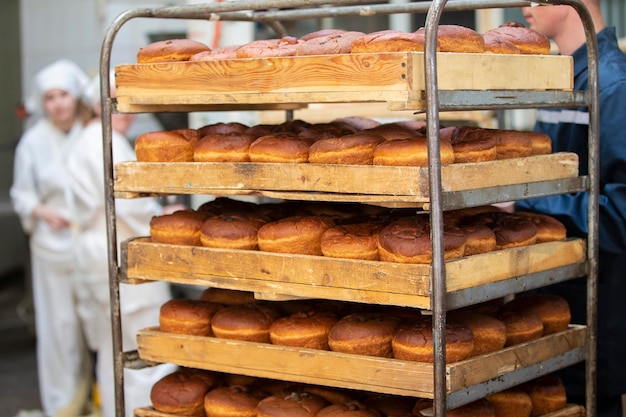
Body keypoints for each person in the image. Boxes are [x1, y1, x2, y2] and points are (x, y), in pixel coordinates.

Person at [518, 2, 626, 417]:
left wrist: (525, 202)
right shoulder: (569, 76)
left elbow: (622, 211)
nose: (524, 6)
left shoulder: (611, 85)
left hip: (598, 309)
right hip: (560, 306)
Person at [66, 73, 178, 417]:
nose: (126, 109)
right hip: (119, 251)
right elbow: (129, 204)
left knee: (112, 351)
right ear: (99, 104)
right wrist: (165, 215)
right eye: (118, 100)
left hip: (94, 253)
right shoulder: (108, 141)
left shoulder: (84, 140)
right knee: (146, 347)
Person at [10, 59, 93, 417]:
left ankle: (96, 398)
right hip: (51, 246)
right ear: (42, 103)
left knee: (93, 323)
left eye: (63, 95)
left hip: (89, 243)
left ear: (75, 97)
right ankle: (63, 405)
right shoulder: (33, 141)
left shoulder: (88, 133)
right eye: (50, 98)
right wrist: (44, 212)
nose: (57, 104)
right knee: (59, 327)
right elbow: (21, 194)